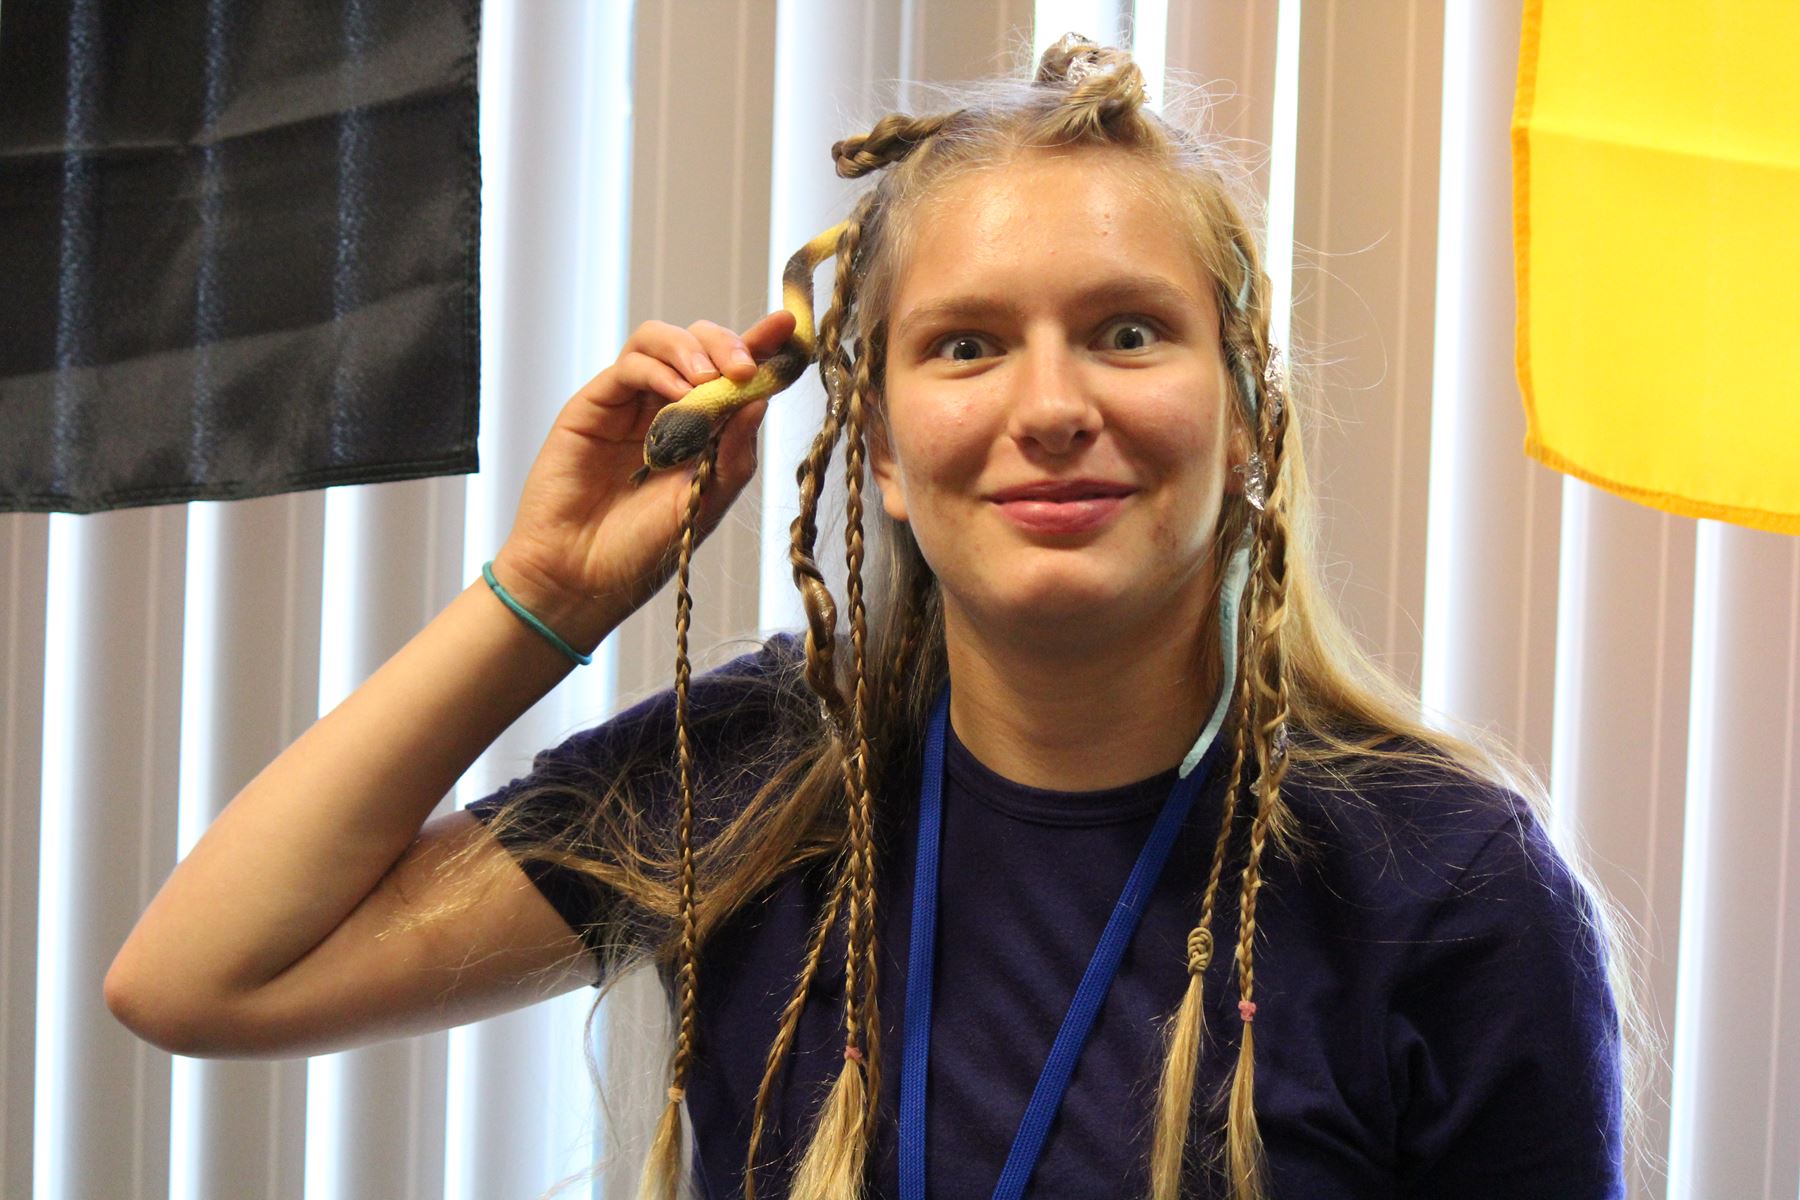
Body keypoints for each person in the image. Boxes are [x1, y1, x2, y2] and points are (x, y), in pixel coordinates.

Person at [106, 34, 1643, 1200]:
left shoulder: (1444, 886)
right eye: (967, 345)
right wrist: (549, 597)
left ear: (1247, 421)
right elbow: (198, 978)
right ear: (884, 450)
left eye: (1127, 331)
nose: (1053, 407)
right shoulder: (759, 777)